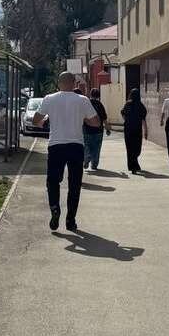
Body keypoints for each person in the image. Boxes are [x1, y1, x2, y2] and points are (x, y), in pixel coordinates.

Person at [33, 72, 101, 231]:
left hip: (56, 146)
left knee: (53, 181)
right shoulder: (82, 100)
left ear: (58, 83)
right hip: (76, 146)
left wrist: (44, 122)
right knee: (74, 184)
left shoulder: (49, 99)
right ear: (74, 83)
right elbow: (96, 123)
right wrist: (83, 118)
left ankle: (55, 208)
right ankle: (70, 220)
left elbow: (36, 120)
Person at [83, 88, 112, 171]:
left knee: (87, 145)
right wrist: (108, 129)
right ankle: (94, 164)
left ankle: (87, 158)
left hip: (87, 129)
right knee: (97, 147)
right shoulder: (100, 105)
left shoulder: (87, 104)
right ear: (98, 96)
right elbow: (104, 118)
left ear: (90, 94)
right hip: (99, 130)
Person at [121, 88, 148, 174]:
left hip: (128, 129)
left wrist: (126, 120)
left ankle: (133, 165)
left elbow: (122, 113)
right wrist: (146, 131)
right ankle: (134, 166)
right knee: (137, 148)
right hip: (137, 130)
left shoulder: (127, 104)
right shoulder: (141, 106)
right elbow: (143, 120)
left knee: (130, 148)